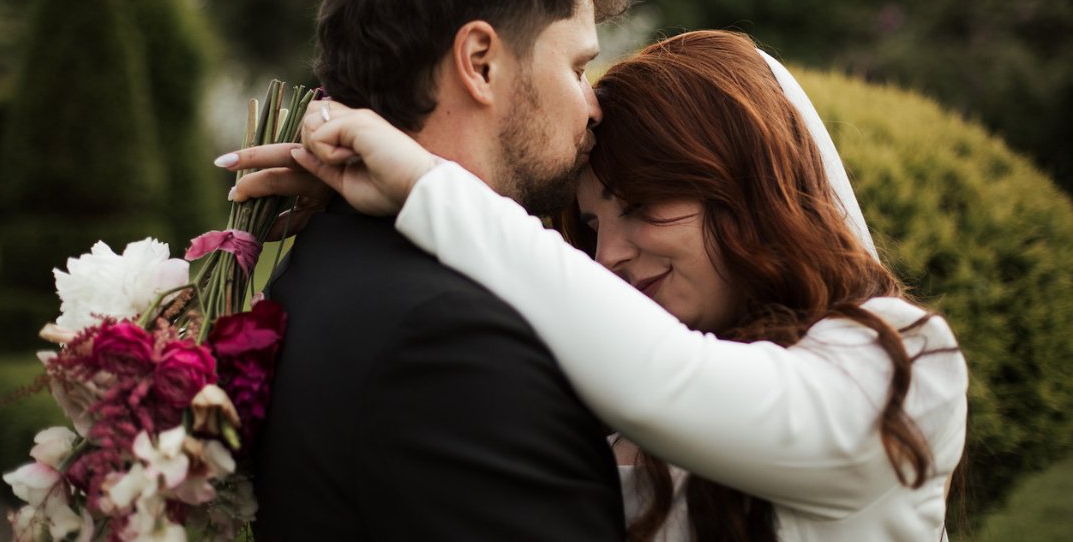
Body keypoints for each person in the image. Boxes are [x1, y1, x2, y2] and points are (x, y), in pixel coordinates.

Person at [286, 30, 968, 542]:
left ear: (751, 190)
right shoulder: (596, 363)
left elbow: (671, 381)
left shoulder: (904, 360)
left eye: (641, 207)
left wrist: (426, 185)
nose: (607, 254)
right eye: (589, 222)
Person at [229, 0, 634, 540]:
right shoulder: (454, 339)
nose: (594, 106)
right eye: (579, 67)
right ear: (479, 61)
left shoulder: (324, 259)